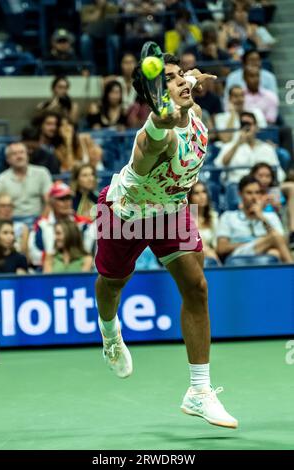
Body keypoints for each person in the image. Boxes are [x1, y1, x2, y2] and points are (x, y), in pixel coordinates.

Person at [94, 53, 238, 428]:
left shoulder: (196, 113)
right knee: (112, 283)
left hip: (171, 210)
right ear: (156, 95)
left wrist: (189, 77)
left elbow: (186, 80)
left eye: (181, 77)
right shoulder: (154, 136)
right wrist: (161, 120)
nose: (182, 83)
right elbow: (156, 136)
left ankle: (199, 392)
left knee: (197, 288)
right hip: (125, 215)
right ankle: (110, 334)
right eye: (170, 80)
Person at [216, 175, 293, 263]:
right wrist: (256, 243)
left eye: (257, 193)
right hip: (240, 253)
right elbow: (221, 248)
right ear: (240, 194)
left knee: (275, 253)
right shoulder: (228, 216)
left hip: (265, 251)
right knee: (274, 237)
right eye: (249, 193)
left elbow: (283, 241)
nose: (254, 197)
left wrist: (262, 217)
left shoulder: (270, 216)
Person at [28, 181, 96, 268]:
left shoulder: (84, 224)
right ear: (51, 201)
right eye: (61, 199)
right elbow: (34, 254)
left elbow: (89, 251)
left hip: (80, 268)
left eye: (68, 198)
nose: (66, 202)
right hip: (47, 270)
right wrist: (56, 261)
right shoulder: (42, 225)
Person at [214, 111, 285, 184]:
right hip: (238, 185)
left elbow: (278, 172)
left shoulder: (267, 148)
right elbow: (221, 164)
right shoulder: (230, 146)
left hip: (264, 186)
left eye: (249, 124)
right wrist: (238, 143)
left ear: (257, 128)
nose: (246, 127)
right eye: (243, 124)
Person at [0, 142, 52, 227]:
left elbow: (49, 202)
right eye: (14, 154)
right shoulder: (1, 180)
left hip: (39, 220)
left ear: (27, 155)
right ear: (8, 159)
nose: (19, 156)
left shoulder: (42, 173)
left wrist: (41, 223)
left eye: (22, 152)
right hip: (12, 222)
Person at [250, 163, 294, 249]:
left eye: (268, 176)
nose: (264, 179)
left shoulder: (275, 193)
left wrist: (277, 208)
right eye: (260, 176)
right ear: (253, 176)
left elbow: (291, 187)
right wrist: (261, 205)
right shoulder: (249, 193)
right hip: (259, 229)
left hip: (278, 227)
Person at [188, 182, 220, 263]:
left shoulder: (214, 216)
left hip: (209, 256)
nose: (202, 196)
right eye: (196, 193)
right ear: (189, 197)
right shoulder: (185, 218)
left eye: (204, 192)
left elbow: (216, 245)